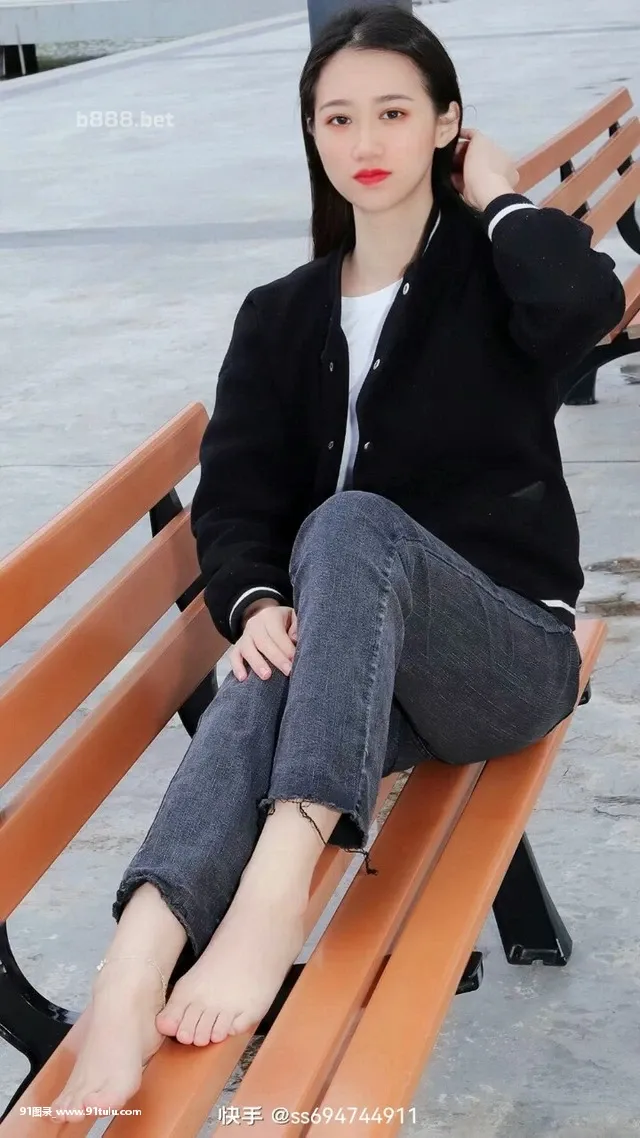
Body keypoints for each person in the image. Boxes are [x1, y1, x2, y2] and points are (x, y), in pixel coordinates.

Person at [49, 2, 625, 1122]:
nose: (365, 140)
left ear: (447, 125)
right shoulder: (279, 315)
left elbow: (586, 304)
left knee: (352, 523)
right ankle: (135, 962)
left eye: (396, 113)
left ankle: (276, 889)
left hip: (502, 654)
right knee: (264, 678)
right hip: (357, 670)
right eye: (338, 117)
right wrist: (256, 600)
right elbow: (236, 502)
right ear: (311, 134)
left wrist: (501, 195)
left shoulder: (495, 281)